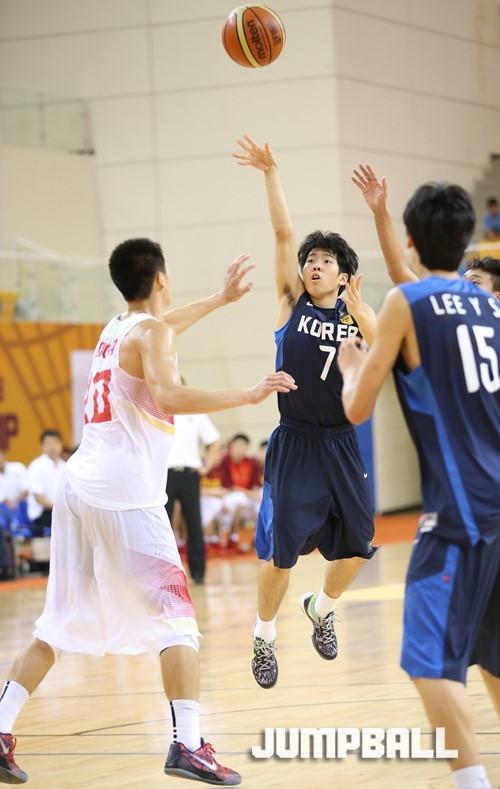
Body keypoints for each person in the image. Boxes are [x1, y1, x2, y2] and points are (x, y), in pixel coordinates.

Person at [0, 240, 296, 786]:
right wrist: (249, 395)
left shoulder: (117, 329)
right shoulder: (149, 334)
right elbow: (170, 394)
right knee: (178, 622)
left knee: (56, 626)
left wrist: (220, 299)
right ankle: (188, 744)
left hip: (78, 487)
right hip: (125, 495)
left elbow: (164, 328)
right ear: (161, 278)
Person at [338, 182, 499, 789]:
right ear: (466, 239)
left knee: (428, 661)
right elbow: (415, 279)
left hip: (462, 512)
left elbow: (357, 408)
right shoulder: (487, 304)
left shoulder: (406, 302)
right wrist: (382, 213)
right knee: (493, 656)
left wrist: (353, 368)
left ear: (411, 239)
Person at [233, 134, 377, 689]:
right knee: (282, 555)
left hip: (341, 442)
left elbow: (383, 356)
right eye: (311, 261)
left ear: (343, 275)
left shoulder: (358, 315)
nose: (315, 265)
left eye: (326, 261)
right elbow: (283, 233)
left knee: (360, 544)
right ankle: (264, 635)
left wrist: (363, 312)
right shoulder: (289, 303)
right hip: (294, 442)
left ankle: (322, 606)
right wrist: (271, 172)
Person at [352, 164, 500, 299]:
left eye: (474, 283)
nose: (464, 288)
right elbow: (398, 270)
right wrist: (380, 211)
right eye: (463, 282)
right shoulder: (445, 301)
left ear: (497, 297)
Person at [166, 385, 221, 584]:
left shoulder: (195, 412)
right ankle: (165, 573)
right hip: (164, 474)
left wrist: (207, 465)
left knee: (194, 523)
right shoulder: (156, 410)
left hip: (190, 474)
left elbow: (214, 440)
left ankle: (198, 573)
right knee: (163, 525)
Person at [215, 434, 262, 546]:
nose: (241, 449)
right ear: (231, 446)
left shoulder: (251, 462)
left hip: (247, 494)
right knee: (238, 499)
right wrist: (248, 492)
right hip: (230, 495)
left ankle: (259, 536)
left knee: (263, 500)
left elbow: (255, 484)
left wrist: (253, 493)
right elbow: (229, 487)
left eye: (244, 446)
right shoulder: (224, 461)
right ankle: (233, 535)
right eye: (238, 446)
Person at [26, 430, 66, 537]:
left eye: (56, 442)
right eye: (49, 443)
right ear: (42, 447)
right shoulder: (36, 466)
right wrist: (60, 507)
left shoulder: (65, 466)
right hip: (42, 515)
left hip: (61, 511)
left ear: (61, 444)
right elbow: (39, 499)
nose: (53, 447)